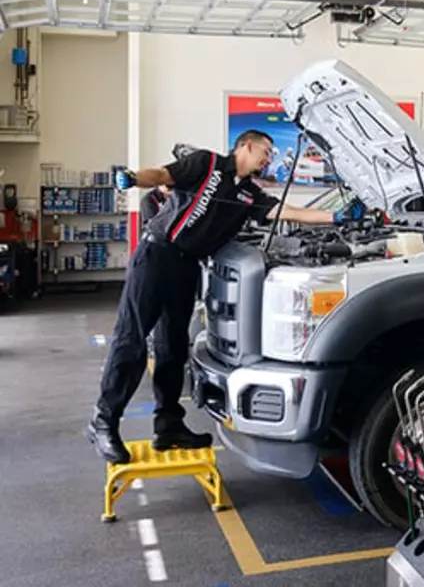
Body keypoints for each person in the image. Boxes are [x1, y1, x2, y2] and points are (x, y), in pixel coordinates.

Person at [86, 129, 351, 465]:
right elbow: (164, 175)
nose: (268, 159)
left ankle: (168, 426)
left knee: (172, 347)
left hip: (186, 267)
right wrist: (134, 178)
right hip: (156, 256)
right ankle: (104, 422)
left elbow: (286, 211)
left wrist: (335, 216)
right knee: (131, 340)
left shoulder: (249, 194)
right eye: (266, 152)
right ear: (247, 146)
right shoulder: (206, 163)